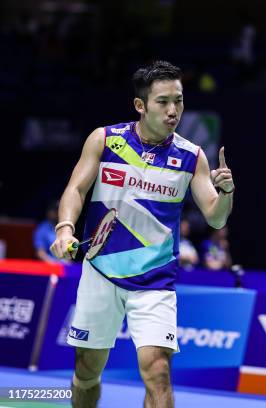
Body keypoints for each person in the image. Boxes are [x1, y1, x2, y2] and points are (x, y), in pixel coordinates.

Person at [50, 60, 235, 408]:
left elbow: (215, 218)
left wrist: (225, 193)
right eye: (163, 102)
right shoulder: (105, 140)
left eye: (178, 101)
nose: (173, 111)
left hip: (154, 281)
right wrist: (64, 229)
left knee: (158, 371)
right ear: (141, 105)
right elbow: (76, 189)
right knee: (87, 371)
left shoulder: (191, 156)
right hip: (101, 272)